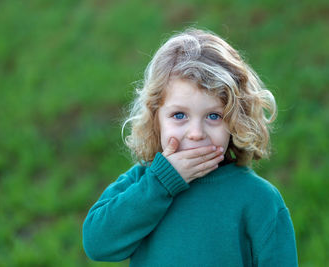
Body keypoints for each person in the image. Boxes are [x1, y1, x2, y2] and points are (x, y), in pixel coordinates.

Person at [82, 28, 298, 266]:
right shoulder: (143, 183)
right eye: (179, 115)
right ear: (156, 119)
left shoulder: (258, 198)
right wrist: (161, 183)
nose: (196, 134)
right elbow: (97, 244)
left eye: (214, 116)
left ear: (236, 121)